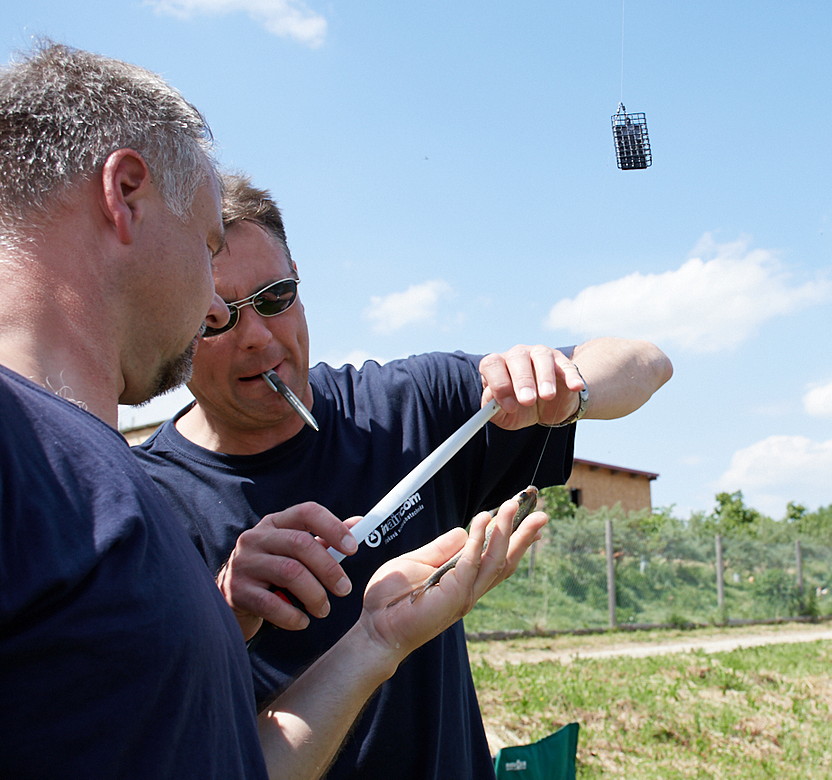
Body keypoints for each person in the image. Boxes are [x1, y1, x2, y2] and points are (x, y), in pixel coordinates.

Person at [0, 42, 546, 779]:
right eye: (207, 248)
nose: (213, 312)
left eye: (274, 298)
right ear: (125, 194)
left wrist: (375, 641)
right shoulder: (39, 462)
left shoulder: (92, 479)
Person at [132, 174, 673, 778]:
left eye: (275, 297)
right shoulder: (143, 500)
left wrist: (565, 387)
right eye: (215, 319)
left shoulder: (404, 406)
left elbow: (647, 363)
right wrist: (226, 612)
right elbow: (171, 733)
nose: (257, 337)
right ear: (173, 328)